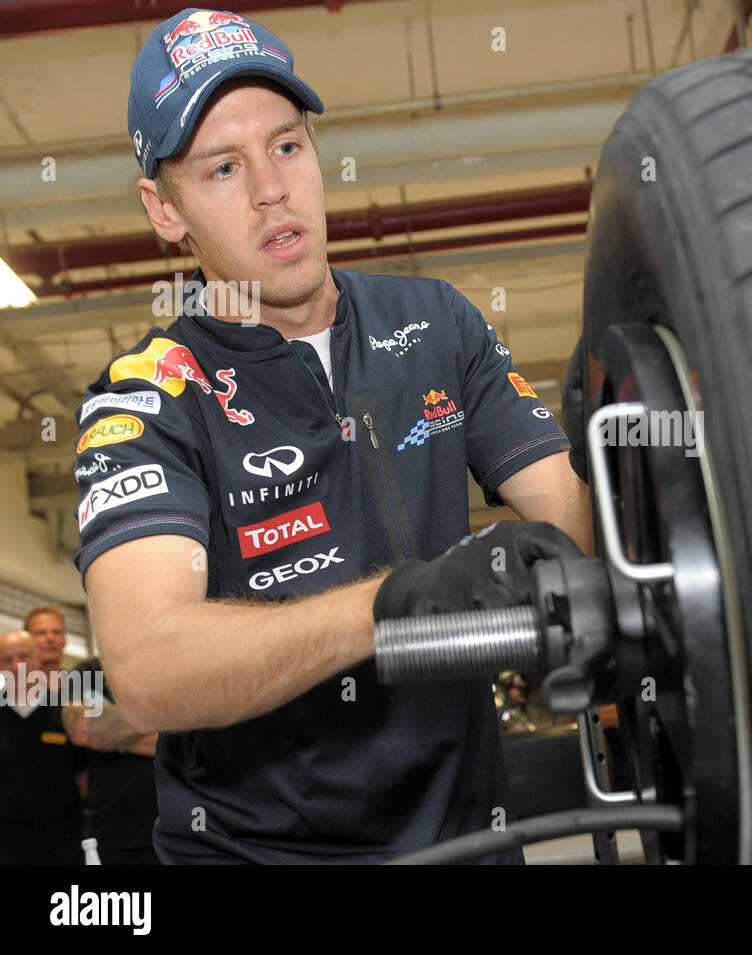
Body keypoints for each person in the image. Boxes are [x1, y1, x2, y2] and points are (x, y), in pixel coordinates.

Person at [74, 7, 592, 864]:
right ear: (164, 210)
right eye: (223, 168)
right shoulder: (147, 398)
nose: (271, 189)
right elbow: (147, 666)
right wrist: (394, 606)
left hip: (468, 842)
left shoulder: (435, 323)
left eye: (286, 146)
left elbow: (572, 522)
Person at [62, 658, 161, 865]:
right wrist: (174, 724)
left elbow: (205, 738)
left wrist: (113, 728)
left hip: (182, 826)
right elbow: (83, 729)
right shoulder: (89, 672)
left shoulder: (174, 668)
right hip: (114, 832)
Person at [0, 630, 84, 865]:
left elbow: (84, 776)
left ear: (38, 659)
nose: (17, 666)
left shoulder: (66, 713)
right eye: (7, 659)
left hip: (64, 845)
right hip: (6, 848)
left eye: (24, 657)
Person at [25, 605, 69, 693]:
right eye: (41, 633)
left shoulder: (82, 687)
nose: (50, 638)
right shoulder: (14, 692)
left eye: (56, 632)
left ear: (64, 640)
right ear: (26, 641)